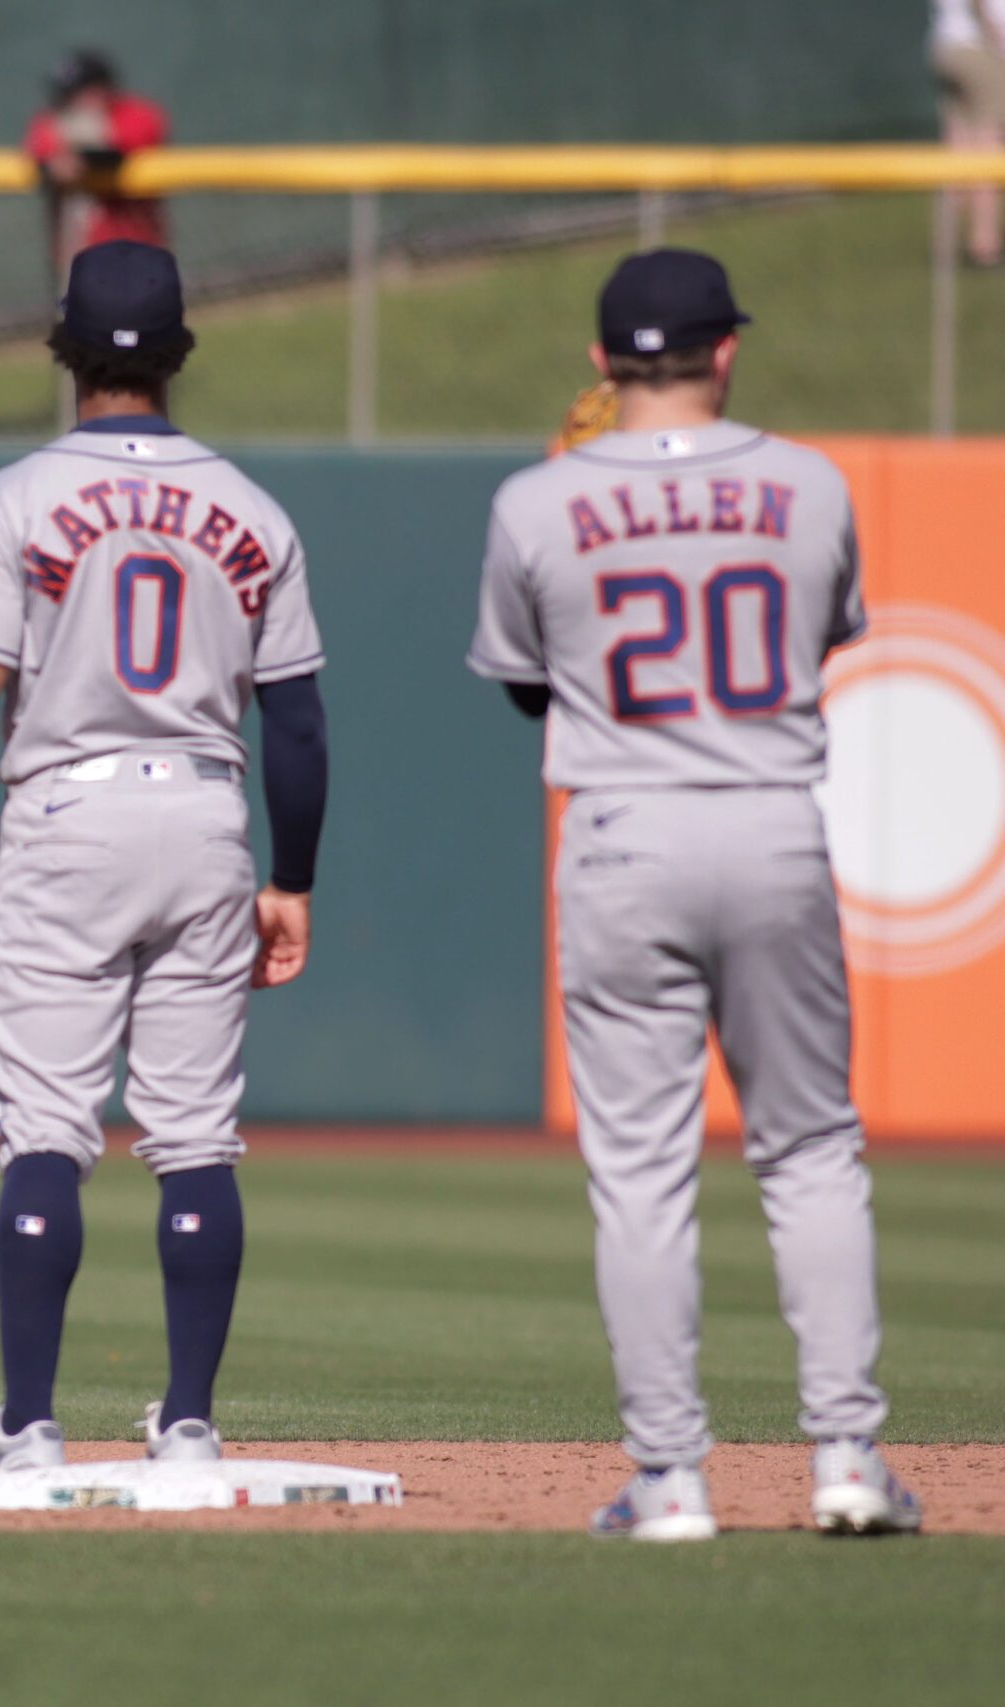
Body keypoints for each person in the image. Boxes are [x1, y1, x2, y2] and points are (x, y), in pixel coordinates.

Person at [467, 250, 921, 1540]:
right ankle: (844, 1458)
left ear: (603, 365)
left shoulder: (537, 501)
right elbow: (818, 637)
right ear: (724, 352)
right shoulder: (810, 483)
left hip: (618, 832)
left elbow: (523, 683)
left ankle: (669, 1479)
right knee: (812, 1148)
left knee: (640, 1176)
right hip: (771, 822)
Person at [0, 242, 328, 1503]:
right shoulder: (255, 510)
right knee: (195, 1136)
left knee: (46, 1130)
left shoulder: (12, 498)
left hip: (67, 819)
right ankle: (191, 1425)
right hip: (206, 816)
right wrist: (292, 879)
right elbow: (299, 725)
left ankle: (31, 1425)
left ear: (60, 349)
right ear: (182, 351)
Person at [25, 51, 171, 285]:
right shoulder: (52, 120)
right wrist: (59, 161)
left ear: (104, 88)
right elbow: (40, 154)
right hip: (77, 259)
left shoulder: (136, 114)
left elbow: (122, 148)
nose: (76, 102)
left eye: (84, 92)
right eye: (68, 95)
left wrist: (81, 158)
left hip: (136, 254)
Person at [931, 0, 1005, 267]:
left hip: (946, 46)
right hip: (979, 47)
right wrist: (995, 32)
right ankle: (984, 244)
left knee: (959, 150)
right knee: (988, 146)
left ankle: (943, 243)